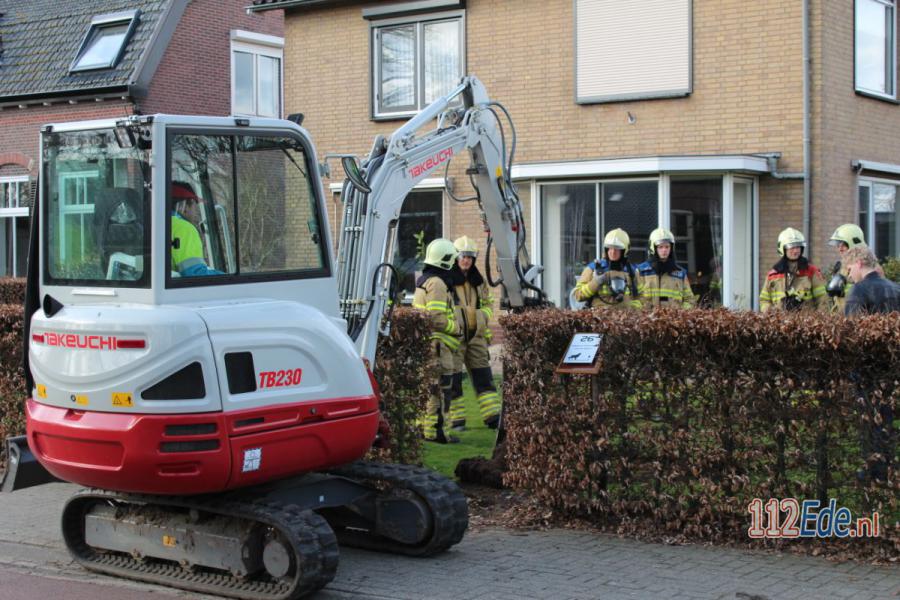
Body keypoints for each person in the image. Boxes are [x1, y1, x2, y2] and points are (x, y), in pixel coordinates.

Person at [447, 235, 501, 432]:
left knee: (483, 376)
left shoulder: (479, 281)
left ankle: (493, 417)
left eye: (470, 257)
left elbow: (488, 305)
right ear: (455, 257)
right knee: (453, 379)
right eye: (463, 256)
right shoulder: (447, 280)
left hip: (476, 336)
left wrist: (482, 319)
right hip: (455, 337)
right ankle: (457, 420)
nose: (466, 260)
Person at [412, 238, 462, 444]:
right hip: (439, 347)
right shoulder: (438, 284)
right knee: (441, 391)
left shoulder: (426, 281)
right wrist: (458, 328)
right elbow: (437, 319)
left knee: (430, 389)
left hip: (431, 345)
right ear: (445, 261)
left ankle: (426, 429)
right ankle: (437, 432)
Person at [759, 227, 828, 312]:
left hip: (805, 323)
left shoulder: (811, 271)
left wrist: (816, 322)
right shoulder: (772, 275)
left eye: (798, 247)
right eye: (791, 247)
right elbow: (764, 300)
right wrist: (771, 311)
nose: (795, 251)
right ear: (783, 249)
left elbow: (823, 300)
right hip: (779, 323)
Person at [573, 228, 641, 309]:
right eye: (610, 248)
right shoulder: (593, 269)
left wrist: (632, 308)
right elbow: (577, 295)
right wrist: (596, 282)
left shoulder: (632, 272)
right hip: (599, 319)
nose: (612, 252)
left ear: (624, 251)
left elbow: (642, 297)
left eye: (617, 249)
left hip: (624, 319)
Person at [171, 181, 223, 277]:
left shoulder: (156, 224)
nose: (196, 211)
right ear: (185, 206)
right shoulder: (184, 228)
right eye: (195, 205)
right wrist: (228, 277)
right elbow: (194, 274)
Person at [635, 227, 695, 309]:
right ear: (653, 248)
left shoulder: (680, 273)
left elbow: (690, 300)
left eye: (667, 247)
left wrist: (680, 315)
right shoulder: (641, 272)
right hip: (647, 320)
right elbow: (634, 299)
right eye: (660, 247)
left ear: (671, 248)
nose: (664, 250)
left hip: (673, 320)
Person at [843, 243, 900, 315]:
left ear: (858, 263)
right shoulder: (897, 287)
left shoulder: (858, 290)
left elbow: (850, 323)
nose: (849, 275)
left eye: (849, 269)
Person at [826, 223, 866, 313]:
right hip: (840, 321)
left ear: (854, 243)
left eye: (843, 245)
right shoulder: (840, 267)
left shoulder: (867, 267)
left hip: (859, 321)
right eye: (838, 245)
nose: (840, 249)